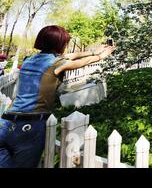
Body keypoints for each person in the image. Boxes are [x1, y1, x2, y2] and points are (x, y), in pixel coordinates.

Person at [0, 25, 115, 168]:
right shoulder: (56, 64)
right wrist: (99, 56)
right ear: (58, 44)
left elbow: (71, 56)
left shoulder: (29, 60)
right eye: (65, 43)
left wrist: (93, 51)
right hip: (29, 126)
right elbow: (78, 62)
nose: (66, 46)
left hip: (5, 123)